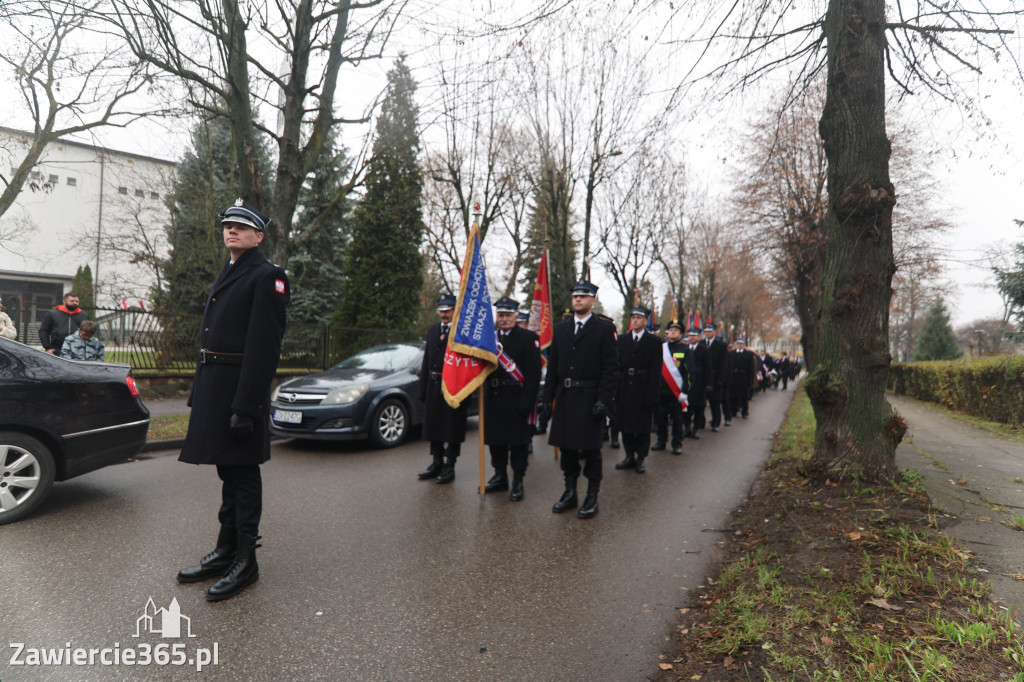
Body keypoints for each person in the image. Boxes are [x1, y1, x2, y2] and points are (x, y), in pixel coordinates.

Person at [176, 198, 289, 602]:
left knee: (243, 475)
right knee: (228, 471)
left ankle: (246, 560)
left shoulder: (268, 276)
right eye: (228, 225)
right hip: (216, 389)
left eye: (241, 226)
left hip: (240, 393)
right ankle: (225, 552)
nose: (232, 230)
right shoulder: (231, 269)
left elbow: (264, 349)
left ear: (259, 236)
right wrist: (200, 394)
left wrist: (246, 406)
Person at [541, 281, 618, 519]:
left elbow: (610, 368)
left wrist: (604, 399)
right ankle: (570, 492)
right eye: (575, 296)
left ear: (592, 301)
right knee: (567, 450)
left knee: (592, 451)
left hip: (590, 398)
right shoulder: (561, 329)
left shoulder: (604, 329)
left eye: (583, 296)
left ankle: (592, 496)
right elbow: (553, 366)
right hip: (566, 398)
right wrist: (547, 398)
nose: (578, 299)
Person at [484, 297, 542, 500]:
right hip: (494, 397)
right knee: (496, 441)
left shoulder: (528, 338)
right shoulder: (489, 339)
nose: (504, 319)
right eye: (500, 315)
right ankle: (500, 476)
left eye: (508, 315)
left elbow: (534, 374)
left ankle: (518, 480)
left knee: (518, 443)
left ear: (516, 316)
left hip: (516, 398)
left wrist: (527, 402)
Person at [417, 294, 469, 484]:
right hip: (433, 385)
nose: (444, 314)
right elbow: (427, 360)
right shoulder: (433, 330)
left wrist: (466, 391)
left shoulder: (462, 332)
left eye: (447, 311)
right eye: (442, 311)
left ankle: (450, 465)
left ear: (455, 311)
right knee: (434, 426)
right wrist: (423, 389)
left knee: (452, 427)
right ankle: (436, 462)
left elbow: (467, 364)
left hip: (453, 386)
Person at [613, 306, 664, 473]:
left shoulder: (654, 342)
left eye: (639, 318)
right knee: (625, 425)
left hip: (643, 388)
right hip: (625, 388)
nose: (635, 320)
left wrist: (652, 396)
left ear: (645, 321)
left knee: (642, 427)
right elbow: (617, 366)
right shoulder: (622, 340)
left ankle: (641, 458)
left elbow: (656, 370)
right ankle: (629, 456)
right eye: (633, 317)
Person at [654, 320, 692, 455]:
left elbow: (689, 373)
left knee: (677, 419)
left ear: (681, 334)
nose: (672, 332)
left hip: (676, 392)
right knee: (660, 418)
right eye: (670, 330)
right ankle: (661, 441)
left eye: (675, 331)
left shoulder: (685, 350)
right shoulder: (661, 348)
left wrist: (685, 391)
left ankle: (677, 444)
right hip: (661, 390)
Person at [684, 327, 712, 439]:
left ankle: (695, 429)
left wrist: (708, 384)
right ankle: (687, 428)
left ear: (699, 337)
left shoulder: (704, 350)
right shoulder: (684, 348)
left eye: (694, 335)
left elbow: (708, 368)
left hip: (700, 383)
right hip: (686, 383)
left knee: (699, 408)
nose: (691, 337)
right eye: (690, 335)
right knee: (686, 408)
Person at [703, 323, 729, 432]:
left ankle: (716, 422)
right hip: (703, 377)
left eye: (710, 331)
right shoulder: (701, 343)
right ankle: (700, 421)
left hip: (715, 376)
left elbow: (724, 363)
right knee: (701, 402)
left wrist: (721, 379)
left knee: (715, 402)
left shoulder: (721, 345)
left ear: (714, 332)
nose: (708, 333)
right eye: (706, 331)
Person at [729, 338, 757, 419]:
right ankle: (733, 411)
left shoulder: (748, 354)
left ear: (744, 344)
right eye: (738, 343)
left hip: (744, 377)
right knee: (733, 395)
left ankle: (744, 412)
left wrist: (751, 380)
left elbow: (751, 368)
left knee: (744, 396)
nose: (740, 345)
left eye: (741, 343)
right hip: (734, 376)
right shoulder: (731, 353)